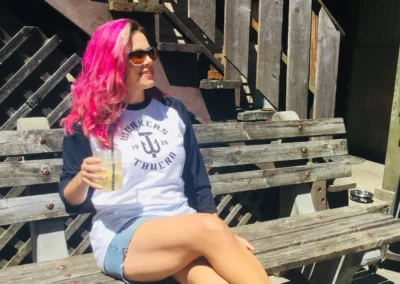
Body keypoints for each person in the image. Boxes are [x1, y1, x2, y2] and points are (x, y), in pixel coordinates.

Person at [59, 18, 271, 284]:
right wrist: (82, 179)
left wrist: (220, 238)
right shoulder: (89, 121)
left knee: (207, 279)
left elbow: (196, 180)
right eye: (137, 55)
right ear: (112, 62)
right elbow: (71, 202)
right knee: (211, 234)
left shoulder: (172, 111)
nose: (149, 61)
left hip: (184, 227)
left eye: (150, 52)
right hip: (124, 234)